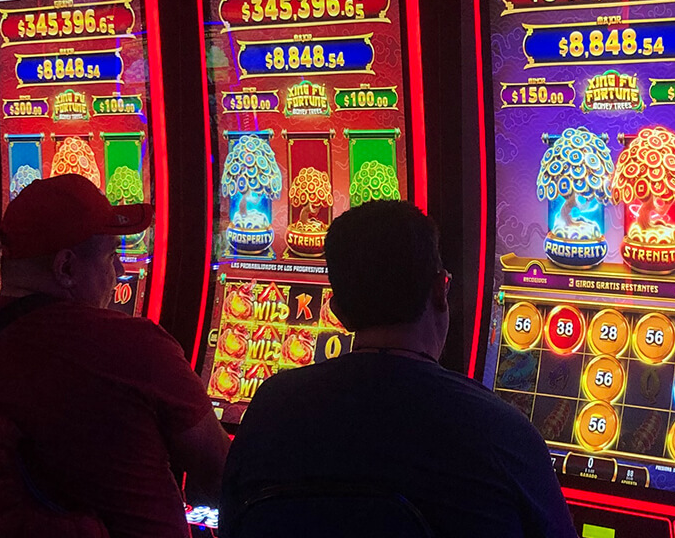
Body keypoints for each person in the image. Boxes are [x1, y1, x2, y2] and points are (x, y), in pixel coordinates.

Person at [0, 174, 229, 538]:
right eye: (111, 257)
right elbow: (225, 476)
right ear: (66, 268)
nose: (119, 273)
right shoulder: (133, 347)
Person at [220, 199, 576, 538]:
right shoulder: (501, 433)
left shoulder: (270, 410)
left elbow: (230, 521)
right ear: (441, 290)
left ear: (338, 311)